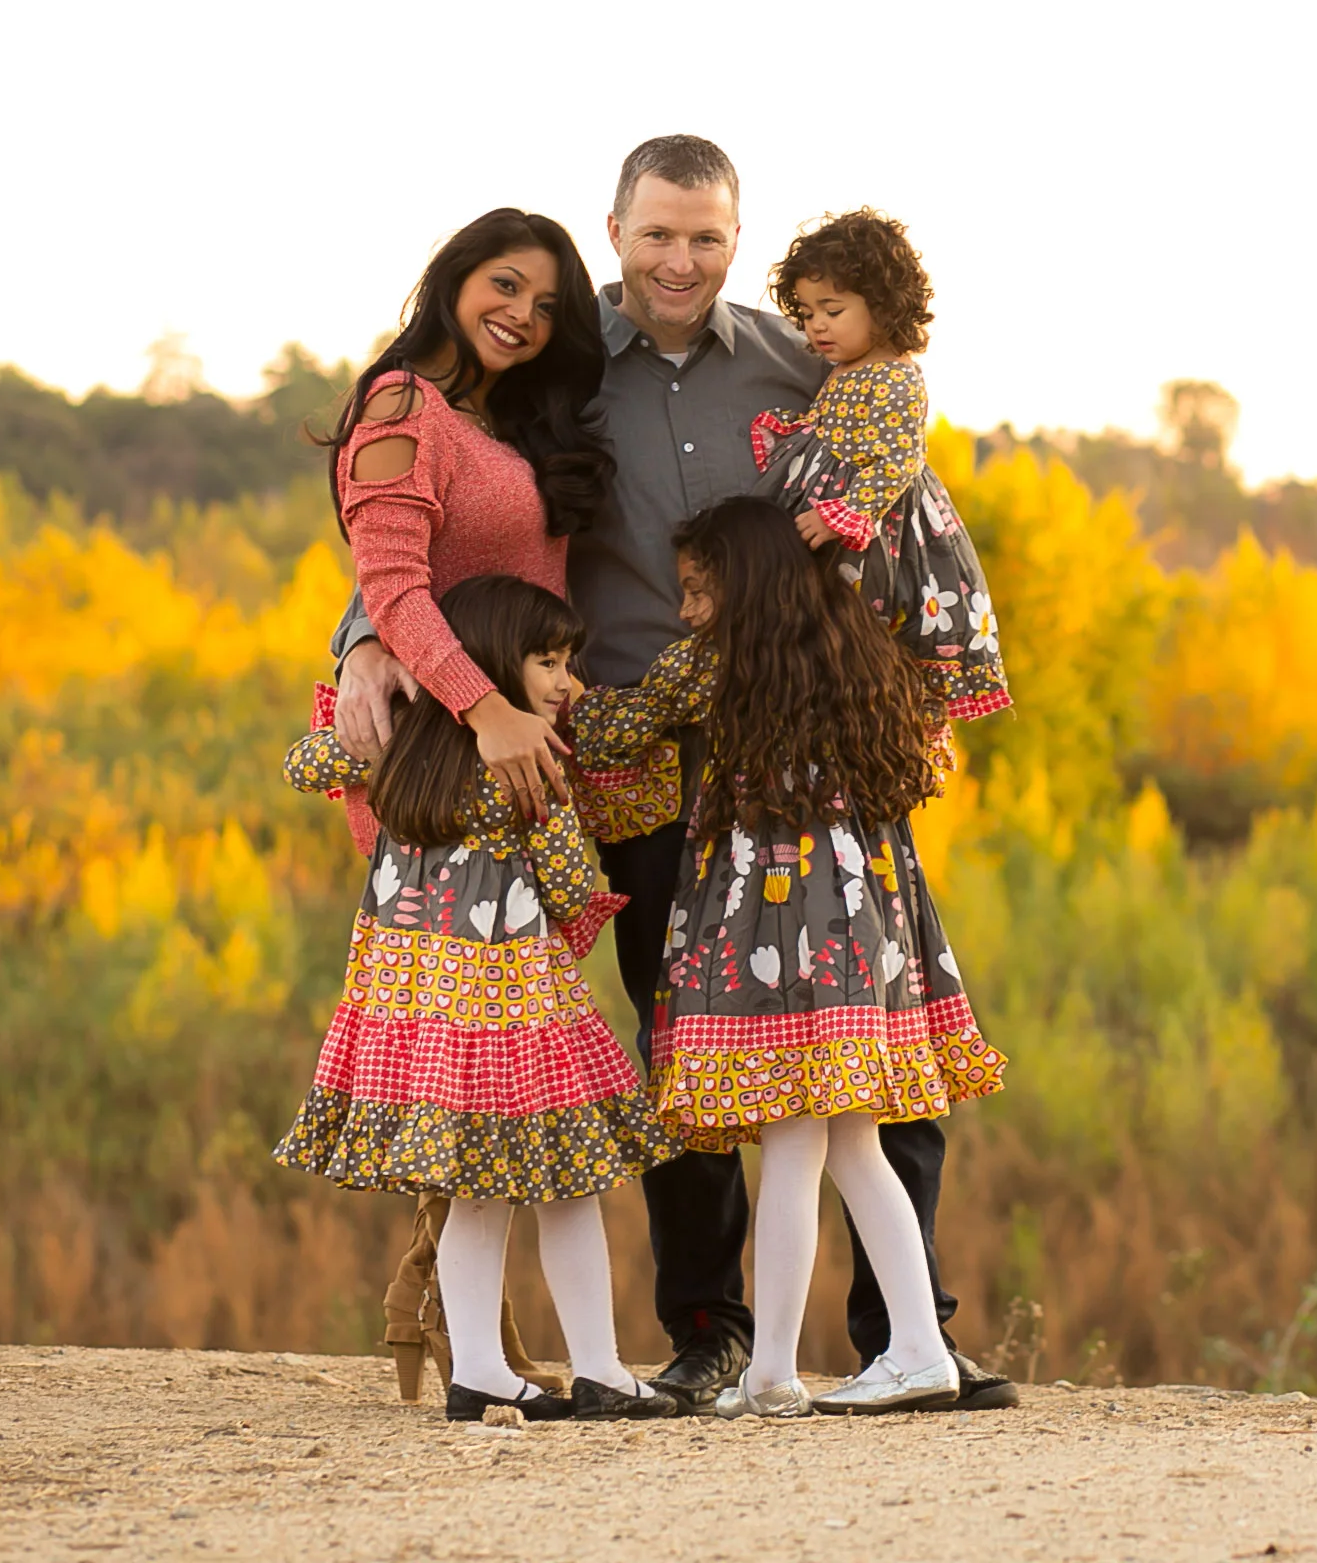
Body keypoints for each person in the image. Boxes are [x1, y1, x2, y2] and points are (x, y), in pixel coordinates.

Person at [333, 138, 1017, 1411]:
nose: (680, 261)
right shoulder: (556, 367)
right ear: (615, 229)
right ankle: (709, 1332)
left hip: (798, 761)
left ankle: (900, 1331)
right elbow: (437, 522)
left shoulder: (800, 358)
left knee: (874, 1049)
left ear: (735, 239)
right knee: (680, 1043)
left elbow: (894, 474)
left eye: (705, 237)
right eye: (657, 236)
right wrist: (367, 637)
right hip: (627, 748)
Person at [570, 498, 1006, 1415]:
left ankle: (773, 1371)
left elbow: (617, 729)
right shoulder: (856, 651)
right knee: (849, 1144)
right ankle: (915, 1346)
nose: (687, 609)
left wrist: (557, 698)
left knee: (800, 1141)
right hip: (863, 926)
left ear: (743, 583)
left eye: (698, 589)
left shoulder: (711, 667)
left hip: (780, 932)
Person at [278, 575, 677, 1421]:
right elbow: (570, 886)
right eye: (548, 661)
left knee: (476, 1191)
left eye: (568, 661)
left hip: (415, 1013)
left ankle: (481, 1374)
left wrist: (374, 713)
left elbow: (303, 760)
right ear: (498, 663)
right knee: (571, 1184)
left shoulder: (397, 753)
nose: (566, 680)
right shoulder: (524, 767)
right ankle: (600, 1365)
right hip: (513, 1011)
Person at [753, 208, 1011, 723]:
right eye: (806, 312)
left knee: (855, 615)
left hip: (876, 529)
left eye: (833, 309)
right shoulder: (844, 368)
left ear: (884, 307)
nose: (817, 325)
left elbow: (897, 462)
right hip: (831, 504)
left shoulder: (897, 376)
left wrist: (842, 514)